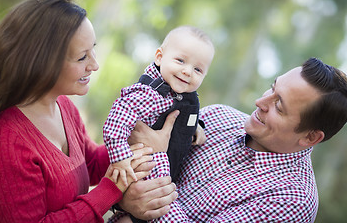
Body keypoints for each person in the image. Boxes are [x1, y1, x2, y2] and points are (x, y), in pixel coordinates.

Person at [0, 0, 177, 223]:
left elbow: (91, 163)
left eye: (93, 50)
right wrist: (110, 192)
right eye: (81, 57)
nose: (94, 65)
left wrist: (141, 143)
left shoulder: (63, 106)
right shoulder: (6, 142)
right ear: (42, 61)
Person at [112, 57, 347, 222]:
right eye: (271, 88)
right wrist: (123, 200)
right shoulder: (217, 117)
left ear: (310, 136)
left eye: (279, 106)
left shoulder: (292, 201)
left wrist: (156, 157)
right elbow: (122, 156)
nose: (260, 102)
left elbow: (150, 150)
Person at [103, 25, 215, 187]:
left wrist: (193, 126)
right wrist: (120, 158)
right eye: (180, 61)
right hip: (141, 170)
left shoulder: (182, 95)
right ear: (160, 57)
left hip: (169, 169)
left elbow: (178, 113)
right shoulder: (152, 93)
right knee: (162, 200)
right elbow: (118, 118)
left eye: (197, 69)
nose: (188, 71)